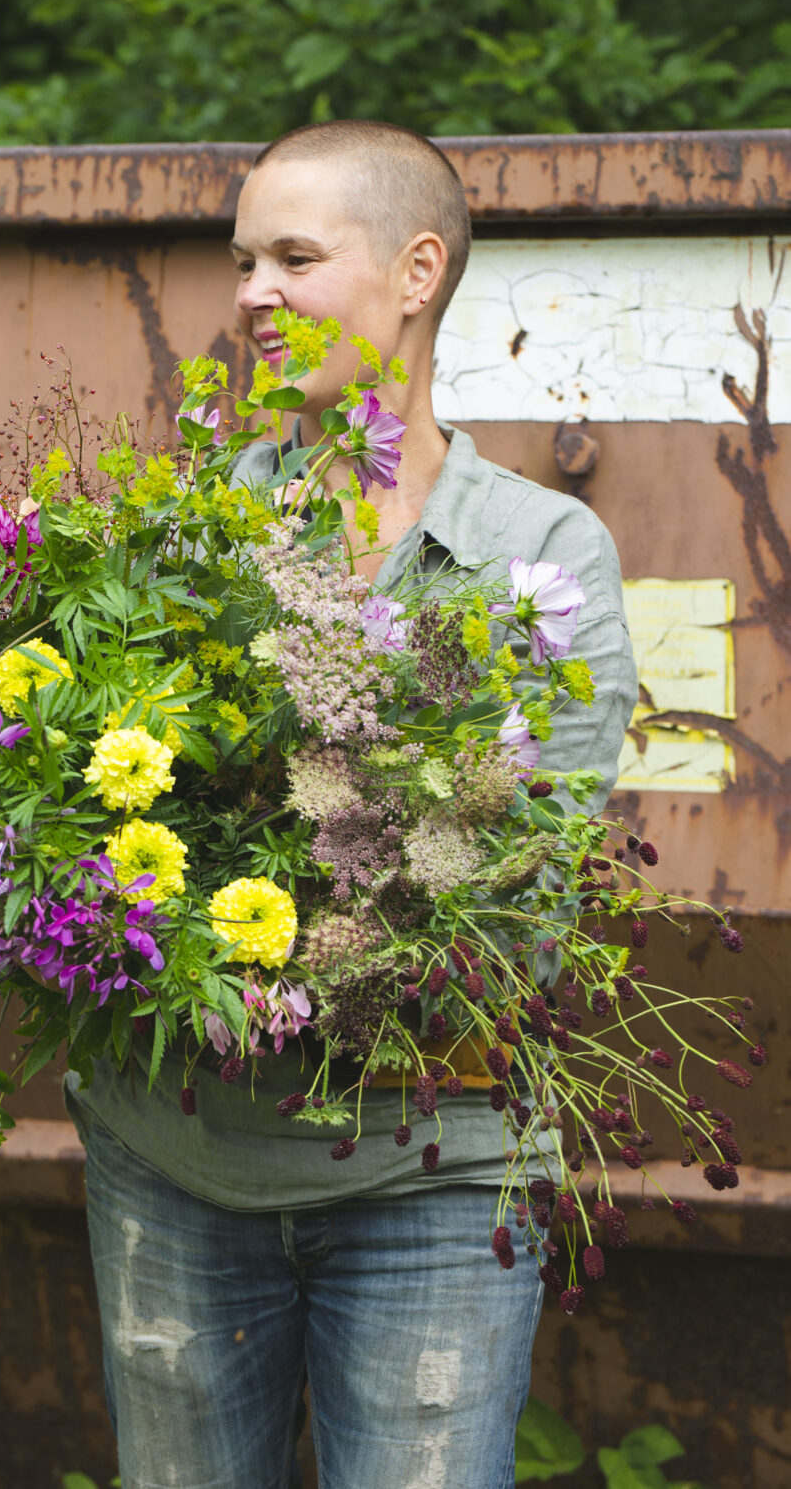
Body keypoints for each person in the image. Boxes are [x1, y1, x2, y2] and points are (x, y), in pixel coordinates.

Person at [64, 120, 638, 1489]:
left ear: (415, 269)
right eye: (242, 259)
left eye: (293, 257)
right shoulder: (188, 533)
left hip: (425, 1178)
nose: (252, 292)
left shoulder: (538, 556)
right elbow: (101, 818)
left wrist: (271, 950)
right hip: (177, 1160)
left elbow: (523, 898)